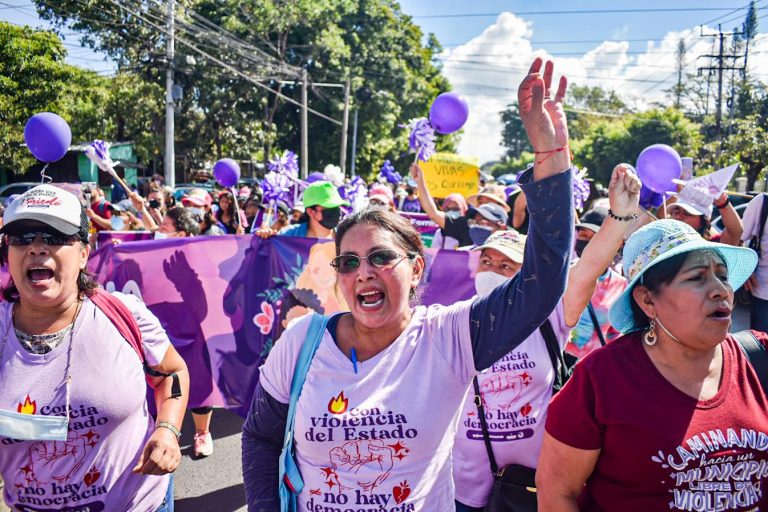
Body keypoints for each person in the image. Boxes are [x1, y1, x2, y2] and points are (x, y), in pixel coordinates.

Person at [242, 57, 575, 510]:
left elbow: (541, 284)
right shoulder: (302, 342)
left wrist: (550, 162)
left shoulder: (449, 337)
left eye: (380, 257)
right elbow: (261, 437)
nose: (363, 272)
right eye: (348, 262)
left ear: (416, 268)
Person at [537, 219, 765, 512]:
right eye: (697, 277)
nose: (720, 290)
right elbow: (556, 493)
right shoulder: (600, 379)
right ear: (647, 300)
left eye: (722, 275)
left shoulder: (760, 356)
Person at [453, 164, 641, 512]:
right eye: (486, 262)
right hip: (463, 488)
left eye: (505, 266)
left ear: (525, 274)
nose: (492, 271)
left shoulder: (549, 317)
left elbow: (588, 269)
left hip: (535, 485)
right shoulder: (455, 320)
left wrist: (619, 217)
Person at [0, 184, 189, 511]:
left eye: (55, 237)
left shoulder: (124, 314)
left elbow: (172, 372)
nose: (36, 248)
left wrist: (168, 430)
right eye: (22, 238)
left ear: (84, 253)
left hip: (139, 503)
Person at [566, 206, 628, 359]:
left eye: (594, 238)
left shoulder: (621, 286)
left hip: (590, 366)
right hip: (557, 363)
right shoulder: (561, 275)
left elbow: (616, 335)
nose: (587, 243)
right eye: (583, 235)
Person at [412, 168, 510, 248]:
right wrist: (420, 181)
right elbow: (434, 214)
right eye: (480, 202)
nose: (483, 206)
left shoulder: (512, 238)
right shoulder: (465, 225)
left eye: (489, 202)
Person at [256, 182, 349, 240]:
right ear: (311, 212)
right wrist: (264, 237)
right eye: (329, 207)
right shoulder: (288, 236)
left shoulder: (344, 239)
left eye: (337, 206)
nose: (336, 212)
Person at [667, 192, 743, 245]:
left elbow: (735, 232)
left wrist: (723, 203)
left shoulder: (713, 245)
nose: (678, 217)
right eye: (676, 212)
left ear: (704, 222)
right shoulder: (663, 243)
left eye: (687, 213)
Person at [741, 192, 768, 333]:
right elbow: (738, 236)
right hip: (764, 294)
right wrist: (745, 267)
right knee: (761, 344)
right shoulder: (762, 202)